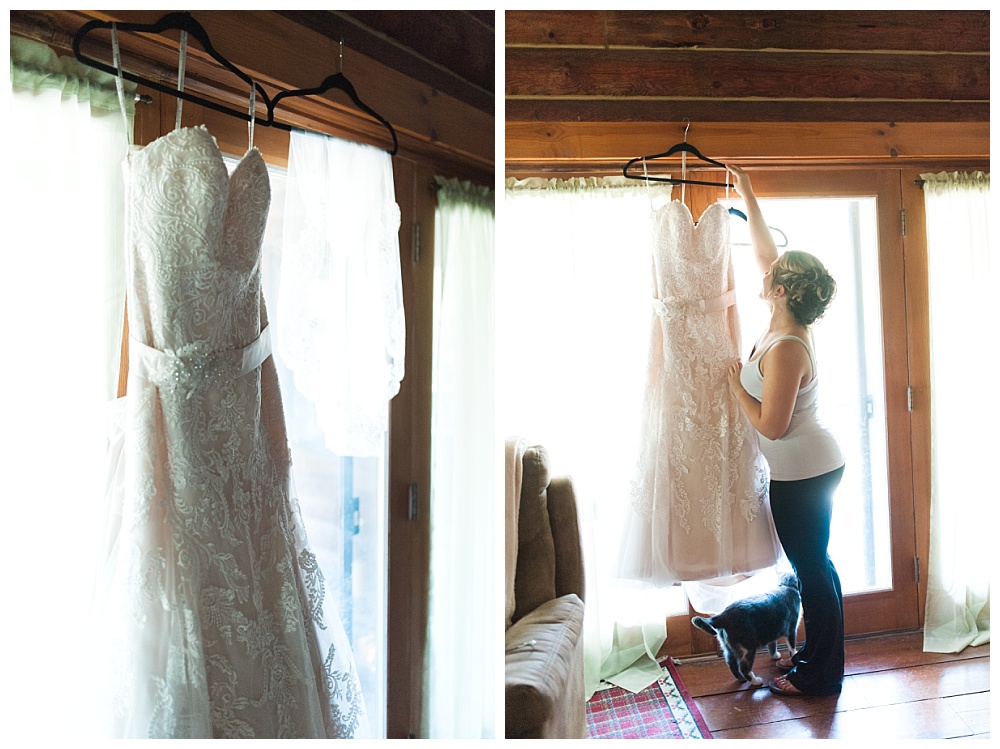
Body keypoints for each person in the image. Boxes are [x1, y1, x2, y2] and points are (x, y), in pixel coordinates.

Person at [725, 164, 846, 697]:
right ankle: (821, 659)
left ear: (780, 289)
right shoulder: (782, 316)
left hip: (803, 472)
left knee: (811, 569)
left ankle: (820, 675)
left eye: (772, 272)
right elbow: (763, 250)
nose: (763, 270)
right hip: (808, 466)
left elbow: (771, 427)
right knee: (816, 566)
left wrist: (736, 389)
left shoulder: (790, 345)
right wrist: (746, 190)